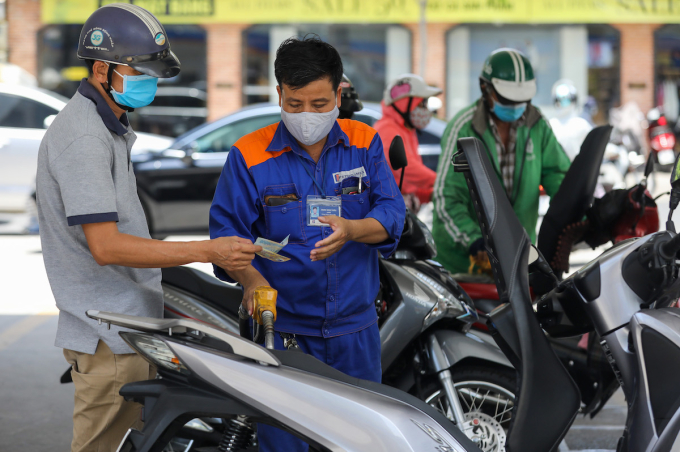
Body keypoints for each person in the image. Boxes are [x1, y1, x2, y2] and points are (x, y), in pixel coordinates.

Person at [35, 5, 260, 451]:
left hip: (123, 332)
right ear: (102, 69)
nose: (150, 82)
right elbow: (106, 246)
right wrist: (207, 251)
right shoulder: (83, 137)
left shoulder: (109, 127)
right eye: (140, 71)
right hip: (108, 338)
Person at [209, 35, 405, 452]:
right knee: (286, 443)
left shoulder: (364, 142)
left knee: (361, 441)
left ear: (338, 93)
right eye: (295, 104)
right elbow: (226, 238)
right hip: (282, 335)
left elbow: (392, 214)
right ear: (279, 93)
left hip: (355, 331)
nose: (307, 116)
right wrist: (251, 280)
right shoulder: (248, 155)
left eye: (319, 105)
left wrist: (353, 230)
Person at [432, 48, 570, 274]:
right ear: (485, 88)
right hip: (465, 267)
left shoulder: (537, 125)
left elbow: (560, 177)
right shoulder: (463, 128)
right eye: (507, 99)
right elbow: (446, 200)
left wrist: (578, 216)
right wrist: (475, 241)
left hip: (518, 260)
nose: (516, 106)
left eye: (523, 100)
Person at [373, 74, 442, 209]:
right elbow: (407, 169)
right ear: (405, 103)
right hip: (388, 206)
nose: (425, 109)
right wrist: (440, 181)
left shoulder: (406, 129)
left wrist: (429, 194)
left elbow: (406, 182)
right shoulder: (387, 129)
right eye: (422, 103)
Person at [548, 79, 593, 161]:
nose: (561, 103)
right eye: (559, 100)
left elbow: (595, 144)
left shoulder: (580, 124)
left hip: (576, 169)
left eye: (565, 100)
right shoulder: (551, 124)